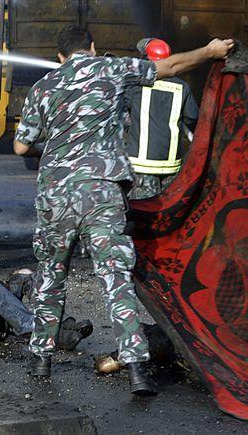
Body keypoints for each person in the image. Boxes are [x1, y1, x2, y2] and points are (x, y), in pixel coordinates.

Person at [13, 25, 234, 395]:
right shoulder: (112, 70)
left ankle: (41, 361)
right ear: (93, 48)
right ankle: (136, 370)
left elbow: (22, 147)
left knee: (51, 277)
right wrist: (209, 52)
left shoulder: (44, 87)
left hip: (56, 198)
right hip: (102, 195)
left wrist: (58, 155)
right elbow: (170, 68)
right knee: (116, 280)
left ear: (60, 56)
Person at [125, 38, 200, 200]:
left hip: (141, 165)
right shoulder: (182, 87)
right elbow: (192, 118)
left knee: (142, 214)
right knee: (165, 212)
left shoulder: (136, 85)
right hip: (170, 166)